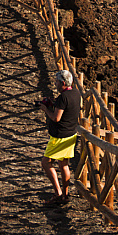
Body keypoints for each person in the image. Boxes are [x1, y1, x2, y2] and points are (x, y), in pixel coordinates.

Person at [38, 69, 82, 205]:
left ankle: (58, 193)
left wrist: (46, 110)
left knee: (45, 163)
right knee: (64, 165)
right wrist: (54, 104)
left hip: (59, 136)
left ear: (63, 83)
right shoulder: (75, 93)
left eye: (57, 82)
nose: (55, 84)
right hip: (71, 134)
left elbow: (56, 118)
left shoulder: (63, 97)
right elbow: (66, 108)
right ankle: (66, 194)